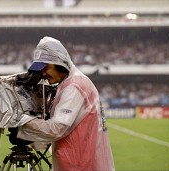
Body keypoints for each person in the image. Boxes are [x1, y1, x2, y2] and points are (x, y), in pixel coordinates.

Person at [16, 36, 115, 171]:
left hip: (79, 165)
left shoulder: (74, 87)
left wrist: (21, 120)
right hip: (81, 163)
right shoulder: (74, 83)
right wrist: (37, 138)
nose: (43, 74)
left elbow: (57, 129)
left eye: (45, 68)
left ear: (59, 63)